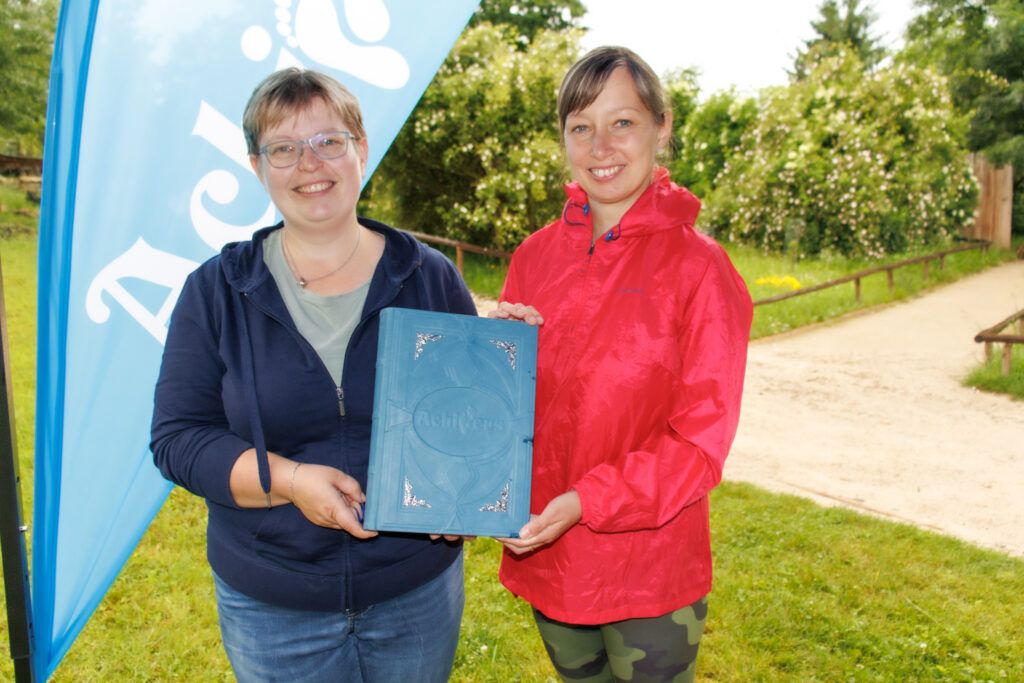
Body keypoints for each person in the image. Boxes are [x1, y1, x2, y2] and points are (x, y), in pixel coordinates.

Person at [150, 68, 475, 683]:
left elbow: (470, 416)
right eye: (284, 148)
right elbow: (178, 438)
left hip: (415, 592)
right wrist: (292, 481)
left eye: (329, 140)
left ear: (361, 150)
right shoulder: (216, 291)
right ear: (257, 166)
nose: (309, 163)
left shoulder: (428, 275)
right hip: (273, 603)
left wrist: (463, 489)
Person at [491, 47, 753, 682]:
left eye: (623, 122)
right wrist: (497, 360)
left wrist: (587, 501)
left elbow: (699, 445)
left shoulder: (701, 268)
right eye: (581, 127)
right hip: (548, 548)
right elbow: (507, 410)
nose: (600, 146)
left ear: (661, 126)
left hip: (649, 568)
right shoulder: (534, 257)